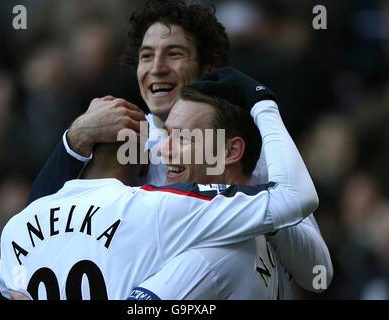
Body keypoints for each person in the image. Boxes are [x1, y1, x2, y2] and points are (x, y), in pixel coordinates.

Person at [26, 0, 332, 294]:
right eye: (146, 56)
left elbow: (318, 273)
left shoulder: (242, 149)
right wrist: (75, 138)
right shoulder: (116, 142)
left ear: (208, 68)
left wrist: (255, 205)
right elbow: (36, 228)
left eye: (174, 54)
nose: (156, 68)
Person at [0, 67, 318, 300]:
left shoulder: (15, 228)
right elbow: (294, 198)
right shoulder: (159, 208)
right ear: (140, 157)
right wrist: (262, 102)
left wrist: (75, 138)